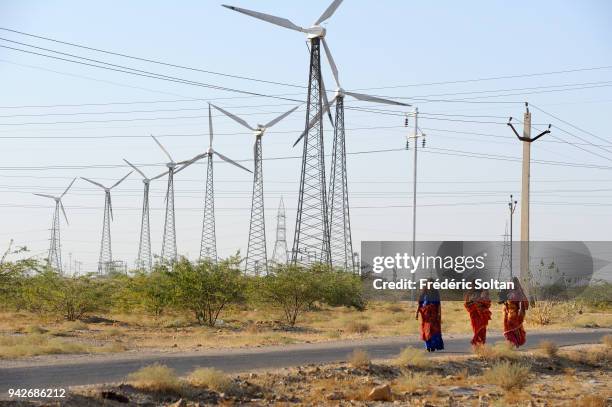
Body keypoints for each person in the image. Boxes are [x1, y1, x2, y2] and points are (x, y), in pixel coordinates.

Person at [415, 279, 444, 352]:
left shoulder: (436, 292)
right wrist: (417, 313)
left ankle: (433, 346)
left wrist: (439, 314)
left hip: (434, 315)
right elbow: (420, 304)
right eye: (429, 284)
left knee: (433, 330)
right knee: (426, 329)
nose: (430, 285)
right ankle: (428, 346)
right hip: (425, 315)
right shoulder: (424, 293)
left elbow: (439, 305)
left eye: (431, 284)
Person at [503, 277, 529, 347]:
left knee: (514, 326)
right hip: (507, 311)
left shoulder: (518, 291)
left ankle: (516, 341)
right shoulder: (508, 289)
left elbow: (522, 301)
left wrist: (521, 310)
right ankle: (512, 342)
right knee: (508, 327)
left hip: (514, 312)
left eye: (514, 282)